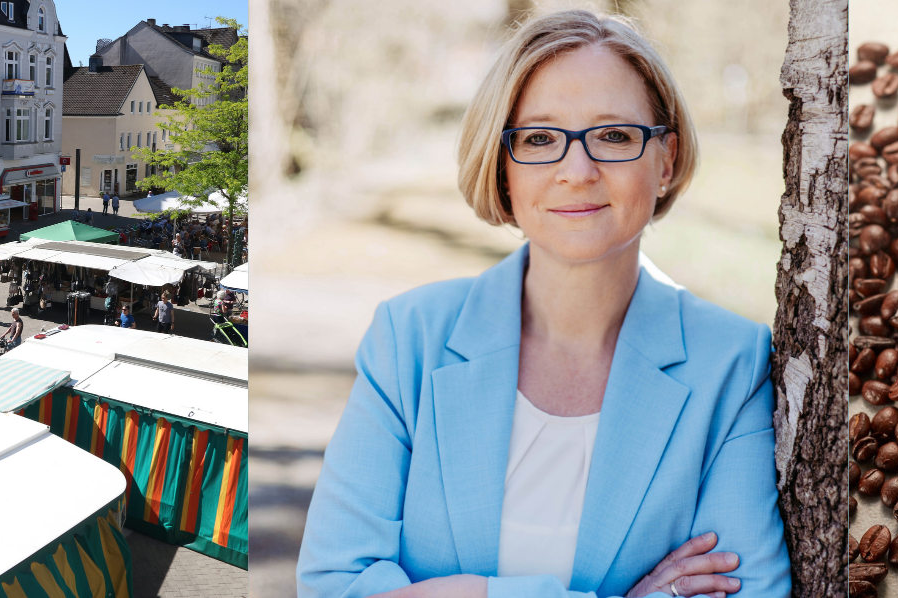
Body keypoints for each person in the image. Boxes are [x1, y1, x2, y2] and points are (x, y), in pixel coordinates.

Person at [296, 10, 789, 598]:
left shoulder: (733, 364)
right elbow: (334, 586)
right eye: (539, 138)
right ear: (502, 167)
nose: (576, 171)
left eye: (614, 135)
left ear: (667, 160)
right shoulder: (411, 340)